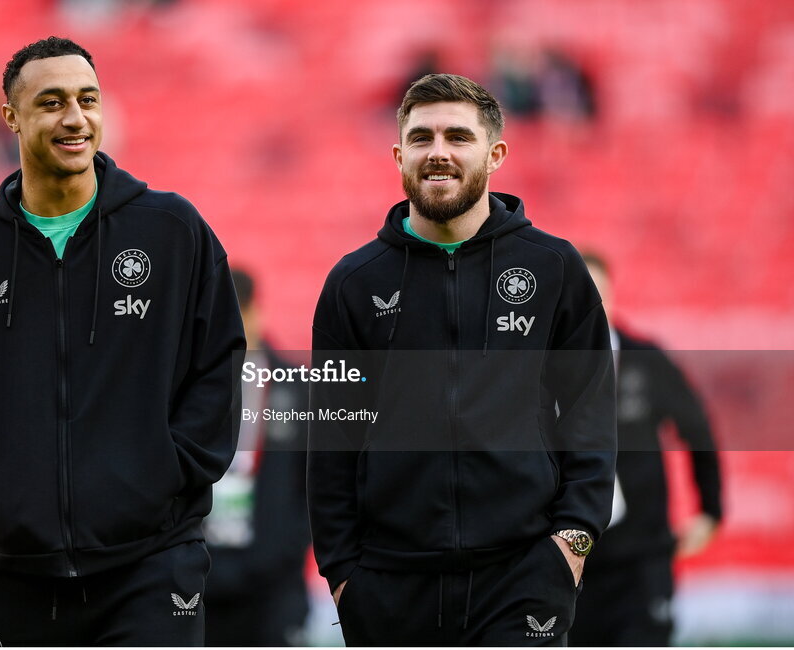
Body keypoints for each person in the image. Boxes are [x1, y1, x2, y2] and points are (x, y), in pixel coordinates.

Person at [0, 37, 245, 646]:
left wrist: (165, 473)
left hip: (154, 564)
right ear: (11, 117)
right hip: (19, 573)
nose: (75, 118)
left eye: (88, 99)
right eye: (52, 102)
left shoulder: (172, 231)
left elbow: (217, 368)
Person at [307, 73, 616, 646]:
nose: (438, 152)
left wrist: (571, 542)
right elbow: (330, 436)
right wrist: (343, 573)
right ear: (399, 155)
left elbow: (591, 412)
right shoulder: (354, 282)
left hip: (523, 574)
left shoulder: (553, 267)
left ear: (495, 155)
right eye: (421, 138)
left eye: (458, 136)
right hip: (389, 581)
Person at [571, 252, 723, 646]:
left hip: (641, 556)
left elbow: (697, 429)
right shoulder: (537, 369)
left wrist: (710, 508)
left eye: (598, 294)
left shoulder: (645, 360)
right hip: (569, 560)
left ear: (612, 296)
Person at [202, 269, 311, 646]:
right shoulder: (184, 385)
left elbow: (315, 486)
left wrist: (281, 549)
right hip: (199, 579)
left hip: (272, 587)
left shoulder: (298, 388)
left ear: (253, 313)